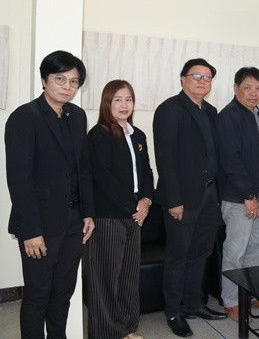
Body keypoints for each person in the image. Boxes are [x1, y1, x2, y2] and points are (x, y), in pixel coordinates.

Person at [5, 50, 95, 339]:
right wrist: (31, 231)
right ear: (44, 80)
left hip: (73, 222)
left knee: (63, 292)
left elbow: (83, 170)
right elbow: (19, 180)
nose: (67, 87)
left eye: (74, 81)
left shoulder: (77, 116)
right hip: (39, 225)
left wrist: (88, 213)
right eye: (60, 79)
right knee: (37, 295)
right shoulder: (24, 117)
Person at [153, 58, 227, 338]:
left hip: (208, 193)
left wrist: (218, 193)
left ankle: (195, 303)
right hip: (181, 197)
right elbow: (165, 158)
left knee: (201, 252)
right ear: (183, 78)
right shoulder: (169, 109)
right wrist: (174, 200)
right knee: (178, 255)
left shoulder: (210, 111)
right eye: (196, 76)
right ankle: (173, 311)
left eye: (207, 78)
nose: (202, 81)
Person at [86, 80, 154, 339]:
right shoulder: (99, 135)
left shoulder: (138, 135)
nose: (124, 105)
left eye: (128, 99)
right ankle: (107, 333)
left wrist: (146, 200)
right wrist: (133, 207)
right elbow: (103, 178)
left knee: (128, 277)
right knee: (105, 280)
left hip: (135, 214)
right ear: (107, 103)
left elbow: (147, 171)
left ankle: (126, 329)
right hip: (109, 215)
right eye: (117, 99)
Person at [217, 67, 259, 322]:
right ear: (235, 88)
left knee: (258, 249)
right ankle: (231, 301)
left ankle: (253, 295)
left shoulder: (257, 114)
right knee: (235, 251)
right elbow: (231, 161)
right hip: (241, 197)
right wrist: (249, 195)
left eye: (258, 88)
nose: (253, 93)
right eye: (248, 87)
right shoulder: (229, 116)